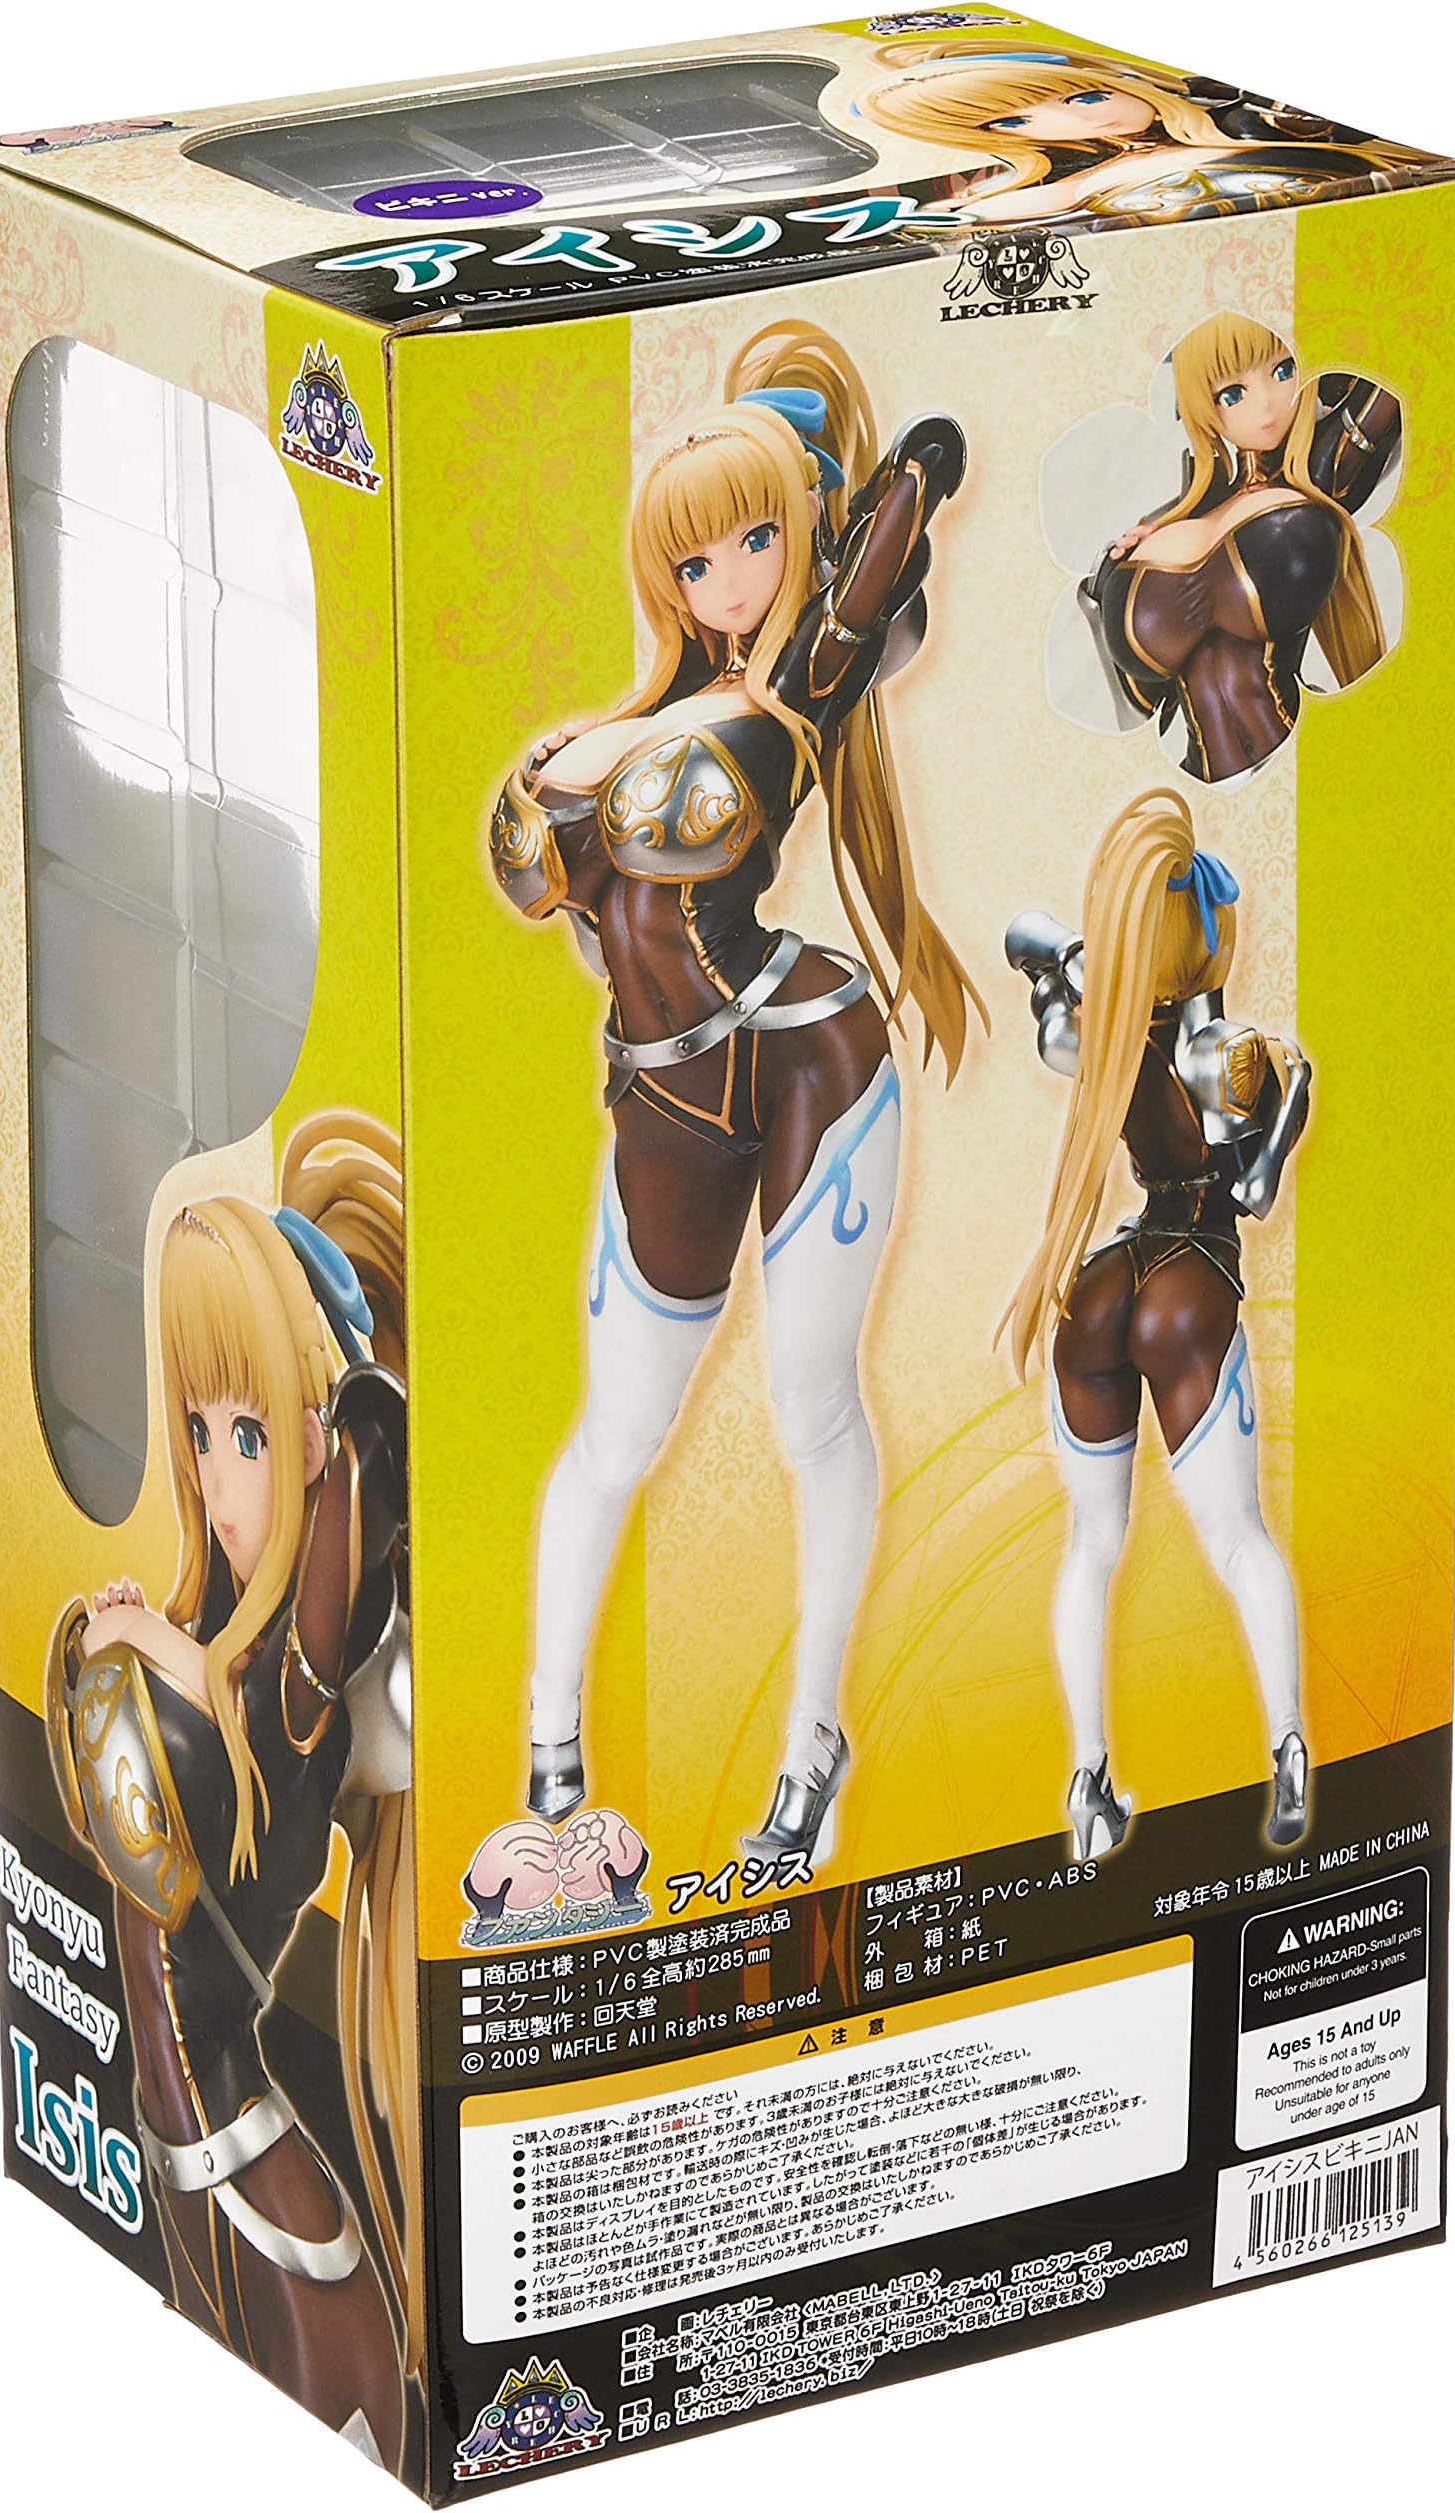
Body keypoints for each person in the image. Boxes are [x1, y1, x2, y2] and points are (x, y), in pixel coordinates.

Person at [488, 316, 985, 1864]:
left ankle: (810, 1740)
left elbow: (872, 575)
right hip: (659, 1094)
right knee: (614, 1431)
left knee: (806, 1404)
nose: (725, 582)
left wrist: (904, 481)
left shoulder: (796, 692)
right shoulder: (626, 719)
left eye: (753, 542)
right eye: (694, 560)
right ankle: (546, 1745)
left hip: (804, 1057)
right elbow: (545, 874)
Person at [45, 1116, 417, 2470]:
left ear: (312, 1441)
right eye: (198, 1431)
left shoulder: (294, 1692)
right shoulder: (212, 1639)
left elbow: (372, 1453)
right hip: (165, 2162)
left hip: (253, 2172)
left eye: (246, 1432)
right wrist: (126, 1641)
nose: (211, 1478)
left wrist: (140, 1642)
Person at [1004, 791, 1311, 1858]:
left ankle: (1087, 1780)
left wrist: (1061, 973)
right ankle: (1287, 1747)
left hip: (1107, 1278)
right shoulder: (1229, 1055)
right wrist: (1289, 1098)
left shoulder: (1087, 1036)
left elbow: (1047, 1005)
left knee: (1091, 1541)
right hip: (1189, 1273)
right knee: (1237, 1536)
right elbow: (1253, 1193)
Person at [1082, 314, 1397, 780]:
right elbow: (1137, 705)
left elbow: (1402, 370)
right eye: (1232, 394)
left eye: (1283, 371)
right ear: (1202, 406)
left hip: (1305, 768)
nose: (1266, 404)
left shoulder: (1317, 473)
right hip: (1197, 790)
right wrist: (1108, 579)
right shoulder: (1173, 521)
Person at [860, 42, 1443, 228]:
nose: (1084, 123)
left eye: (1086, 98)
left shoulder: (1242, 119)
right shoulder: (1091, 173)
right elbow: (1039, 200)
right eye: (1014, 123)